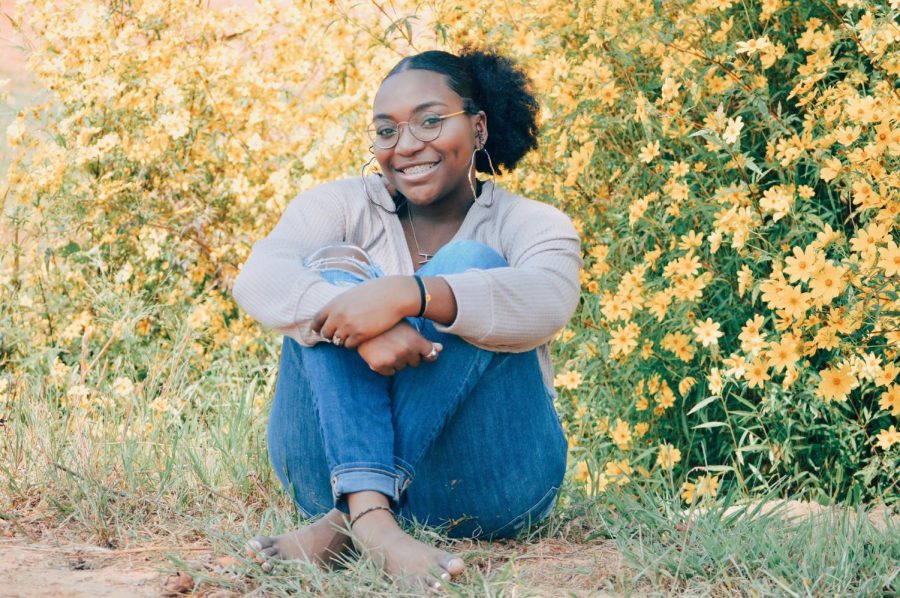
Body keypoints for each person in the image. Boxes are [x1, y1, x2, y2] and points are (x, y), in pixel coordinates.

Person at [231, 47, 581, 590]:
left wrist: (410, 295)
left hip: (490, 482)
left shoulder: (532, 223)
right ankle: (373, 515)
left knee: (468, 267)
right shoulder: (340, 205)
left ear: (480, 127)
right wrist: (361, 318)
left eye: (430, 120)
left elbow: (548, 299)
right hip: (323, 469)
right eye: (386, 131)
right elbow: (258, 278)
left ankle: (352, 518)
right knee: (332, 266)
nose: (407, 144)